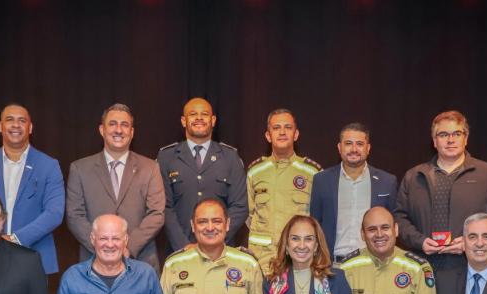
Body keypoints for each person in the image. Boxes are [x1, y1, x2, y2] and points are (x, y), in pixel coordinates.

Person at [394, 110, 487, 271]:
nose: (450, 140)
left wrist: (470, 242)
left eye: (457, 133)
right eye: (443, 134)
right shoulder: (413, 176)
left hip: (470, 265)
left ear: (466, 138)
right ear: (434, 141)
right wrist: (419, 241)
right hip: (422, 266)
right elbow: (400, 218)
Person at [0, 103, 65, 274]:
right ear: (0, 126)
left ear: (30, 127)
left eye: (22, 120)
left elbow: (54, 213)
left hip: (35, 257)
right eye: (9, 120)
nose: (15, 125)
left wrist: (15, 239)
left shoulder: (49, 165)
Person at [67, 103, 166, 271]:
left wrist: (128, 247)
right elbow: (74, 215)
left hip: (140, 260)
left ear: (132, 132)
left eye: (124, 125)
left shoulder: (150, 167)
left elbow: (156, 214)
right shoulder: (80, 168)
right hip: (93, 262)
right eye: (112, 124)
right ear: (101, 130)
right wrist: (102, 248)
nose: (118, 130)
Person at [158, 97, 247, 250]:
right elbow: (164, 207)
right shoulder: (166, 157)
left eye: (204, 114)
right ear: (183, 121)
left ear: (213, 120)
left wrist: (215, 239)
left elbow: (240, 206)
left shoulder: (230, 157)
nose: (199, 118)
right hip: (179, 250)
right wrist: (183, 245)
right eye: (193, 114)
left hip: (222, 249)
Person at [310, 123, 398, 262]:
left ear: (368, 148)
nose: (354, 149)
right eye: (348, 143)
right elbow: (314, 224)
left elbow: (393, 225)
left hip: (371, 264)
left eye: (360, 144)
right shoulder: (322, 181)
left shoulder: (387, 182)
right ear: (339, 148)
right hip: (333, 265)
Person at [246, 109, 321, 269]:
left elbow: (318, 217)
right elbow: (249, 215)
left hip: (299, 258)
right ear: (268, 136)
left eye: (288, 127)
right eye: (276, 128)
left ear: (296, 134)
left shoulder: (312, 172)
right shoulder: (255, 171)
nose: (282, 132)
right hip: (263, 259)